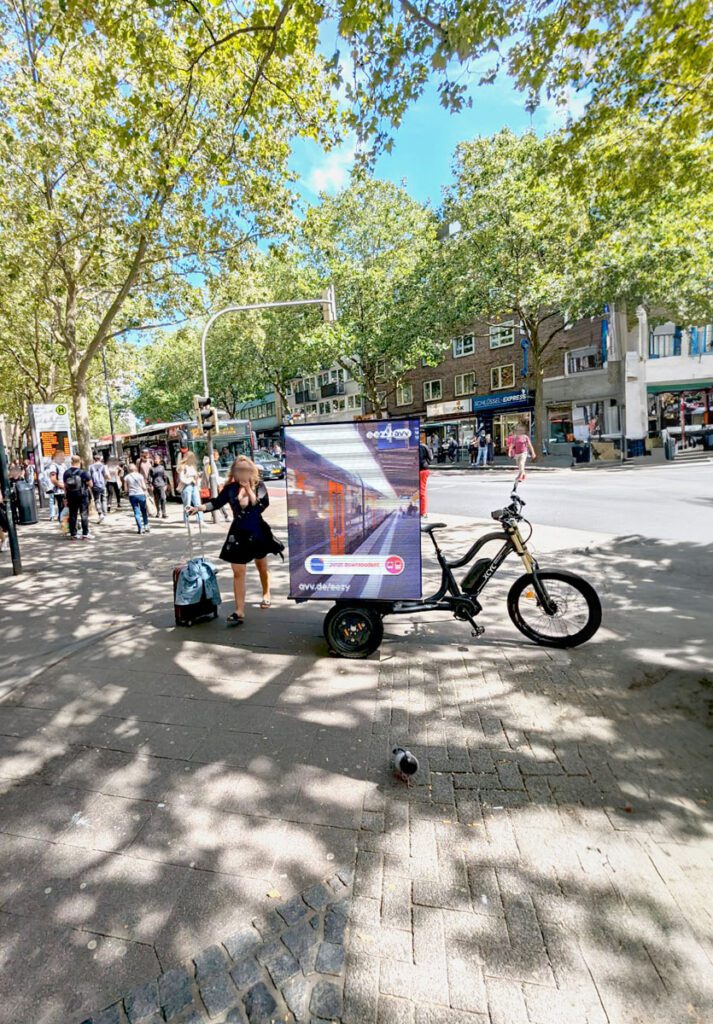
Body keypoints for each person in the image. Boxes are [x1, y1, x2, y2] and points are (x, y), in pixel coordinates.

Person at [188, 455, 283, 625]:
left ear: (251, 470)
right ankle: (239, 611)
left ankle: (266, 592)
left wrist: (248, 489)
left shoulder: (259, 486)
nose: (242, 473)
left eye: (245, 470)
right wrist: (198, 508)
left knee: (261, 566)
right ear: (235, 472)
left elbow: (260, 506)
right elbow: (216, 503)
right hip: (238, 533)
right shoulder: (231, 488)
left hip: (257, 531)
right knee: (238, 572)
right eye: (239, 470)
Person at [62, 455, 93, 540]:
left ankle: (73, 534)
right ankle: (85, 534)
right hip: (82, 496)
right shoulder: (83, 472)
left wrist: (65, 498)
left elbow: (65, 487)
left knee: (72, 515)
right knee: (84, 514)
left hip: (71, 496)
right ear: (80, 462)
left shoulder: (66, 473)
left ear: (71, 462)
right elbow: (91, 484)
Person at [124, 462, 150, 534]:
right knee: (144, 511)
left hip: (132, 495)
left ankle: (140, 528)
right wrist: (146, 490)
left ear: (128, 469)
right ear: (135, 468)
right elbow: (144, 486)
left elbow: (126, 489)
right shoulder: (140, 476)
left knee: (136, 512)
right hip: (141, 494)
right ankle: (146, 525)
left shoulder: (126, 477)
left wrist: (128, 490)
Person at [177, 451, 202, 524]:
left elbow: (195, 475)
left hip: (194, 486)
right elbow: (181, 478)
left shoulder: (193, 466)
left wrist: (197, 477)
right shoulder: (183, 466)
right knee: (187, 505)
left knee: (198, 503)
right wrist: (190, 480)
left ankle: (200, 520)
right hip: (186, 486)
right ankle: (187, 522)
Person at [47, 451, 67, 521]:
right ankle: (65, 527)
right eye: (62, 456)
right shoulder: (53, 466)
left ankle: (66, 527)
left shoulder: (63, 465)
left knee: (65, 509)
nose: (64, 458)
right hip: (59, 491)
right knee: (62, 509)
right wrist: (62, 486)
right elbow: (53, 479)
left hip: (64, 490)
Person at [89, 453, 108, 523]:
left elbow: (89, 477)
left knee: (97, 500)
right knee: (104, 499)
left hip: (95, 486)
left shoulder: (91, 467)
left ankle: (100, 514)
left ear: (94, 459)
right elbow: (106, 475)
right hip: (103, 485)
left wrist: (90, 486)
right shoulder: (103, 466)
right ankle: (105, 513)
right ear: (100, 459)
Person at [418, 433, 431, 517]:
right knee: (422, 491)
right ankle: (422, 511)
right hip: (424, 469)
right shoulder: (424, 446)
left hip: (419, 470)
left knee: (420, 492)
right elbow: (431, 457)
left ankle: (422, 512)